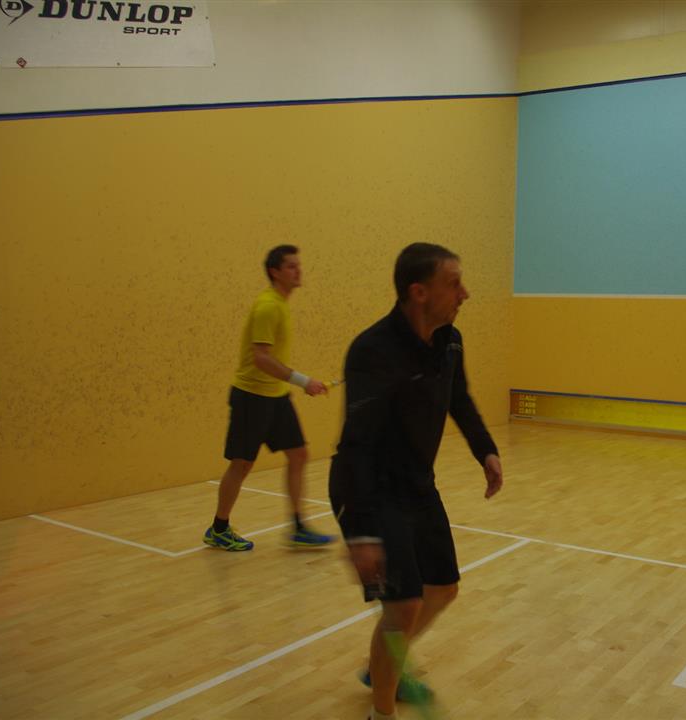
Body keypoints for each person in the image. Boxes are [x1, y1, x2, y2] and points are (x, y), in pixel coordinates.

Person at [329, 242, 504, 720]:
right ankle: (381, 711)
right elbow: (357, 444)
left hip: (416, 484)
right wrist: (361, 532)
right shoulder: (372, 350)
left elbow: (459, 398)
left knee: (443, 589)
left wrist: (485, 449)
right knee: (402, 606)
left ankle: (384, 663)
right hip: (368, 487)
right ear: (419, 292)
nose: (465, 293)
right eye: (454, 283)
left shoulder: (450, 340)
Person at [203, 244, 336, 551]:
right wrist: (304, 381)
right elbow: (261, 358)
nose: (298, 270)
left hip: (276, 396)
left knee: (298, 454)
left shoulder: (280, 304)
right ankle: (219, 529)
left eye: (299, 265)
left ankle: (298, 527)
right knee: (242, 464)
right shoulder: (268, 307)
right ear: (275, 272)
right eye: (291, 266)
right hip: (252, 397)